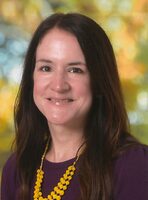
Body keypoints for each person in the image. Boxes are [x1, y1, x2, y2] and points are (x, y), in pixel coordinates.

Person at [1, 12, 148, 200]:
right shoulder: (17, 169)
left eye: (75, 70)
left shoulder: (135, 165)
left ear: (99, 81)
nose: (58, 85)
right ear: (32, 78)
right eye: (46, 68)